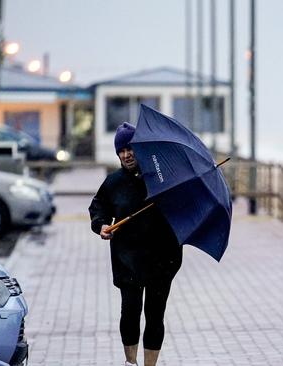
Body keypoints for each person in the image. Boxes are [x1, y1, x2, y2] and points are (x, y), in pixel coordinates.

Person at [89, 122, 183, 366]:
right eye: (121, 150)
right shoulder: (113, 182)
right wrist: (100, 225)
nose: (126, 154)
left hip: (162, 259)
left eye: (130, 148)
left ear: (139, 149)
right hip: (127, 260)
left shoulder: (162, 178)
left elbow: (180, 210)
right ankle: (130, 362)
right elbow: (98, 207)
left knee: (154, 315)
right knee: (129, 312)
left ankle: (149, 364)